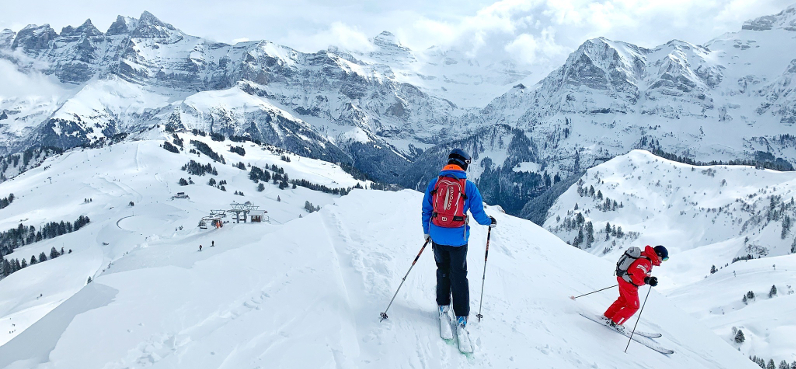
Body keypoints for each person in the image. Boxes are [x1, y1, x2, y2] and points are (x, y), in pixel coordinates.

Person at [422, 148, 496, 330]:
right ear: (464, 164)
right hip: (458, 239)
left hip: (437, 235)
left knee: (442, 270)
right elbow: (479, 215)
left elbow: (426, 210)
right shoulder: (468, 187)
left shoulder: (434, 183)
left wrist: (427, 231)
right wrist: (490, 222)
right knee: (459, 274)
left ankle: (442, 306)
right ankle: (461, 315)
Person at [603, 245, 668, 329]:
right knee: (633, 306)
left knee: (623, 300)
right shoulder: (646, 261)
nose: (662, 261)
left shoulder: (646, 256)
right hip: (629, 284)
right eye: (664, 258)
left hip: (624, 279)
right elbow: (638, 272)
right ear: (659, 255)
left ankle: (607, 316)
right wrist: (647, 280)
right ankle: (615, 323)